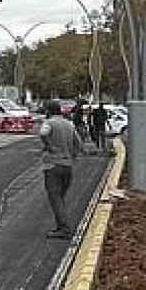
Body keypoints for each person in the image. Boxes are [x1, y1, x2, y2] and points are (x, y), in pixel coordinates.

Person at [39, 100, 85, 239]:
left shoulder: (49, 122)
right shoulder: (69, 124)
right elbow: (79, 143)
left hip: (53, 165)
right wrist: (73, 156)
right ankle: (61, 225)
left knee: (55, 198)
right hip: (67, 166)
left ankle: (64, 229)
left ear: (48, 111)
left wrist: (48, 145)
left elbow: (43, 133)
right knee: (60, 197)